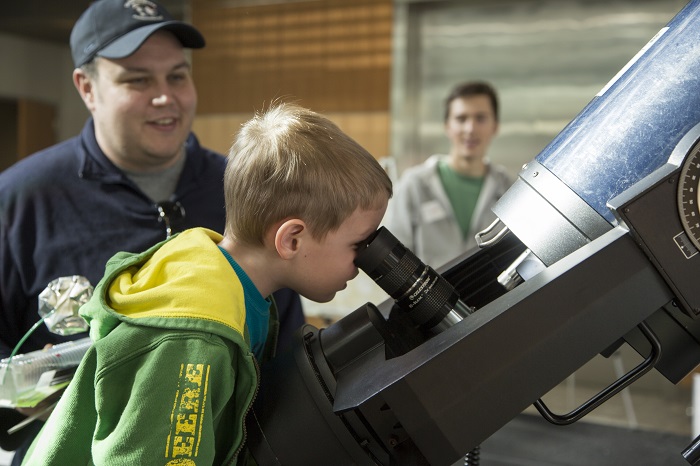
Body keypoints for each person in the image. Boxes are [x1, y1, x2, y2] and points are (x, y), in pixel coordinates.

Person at [0, 0, 303, 462]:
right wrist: (29, 387)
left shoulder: (246, 192)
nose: (166, 97)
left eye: (177, 76)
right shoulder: (21, 200)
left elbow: (288, 348)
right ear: (87, 88)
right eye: (137, 80)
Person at [21, 101, 392, 465]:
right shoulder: (194, 340)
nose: (363, 261)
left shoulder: (241, 297)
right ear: (291, 239)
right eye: (358, 244)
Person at [383, 81, 513, 268]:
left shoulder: (508, 189)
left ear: (495, 126)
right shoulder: (415, 184)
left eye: (481, 118)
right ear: (447, 126)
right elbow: (393, 257)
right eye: (461, 119)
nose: (470, 128)